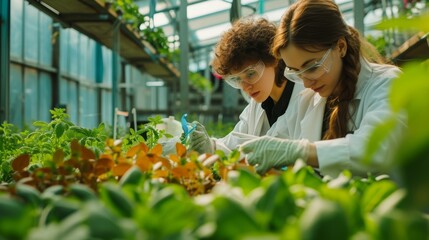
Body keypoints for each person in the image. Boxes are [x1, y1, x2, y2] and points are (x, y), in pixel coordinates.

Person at [240, 0, 406, 177]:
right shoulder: (308, 100)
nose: (306, 83)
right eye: (296, 72)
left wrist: (302, 152)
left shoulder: (388, 84)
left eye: (311, 67)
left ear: (340, 47)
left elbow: (377, 149)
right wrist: (215, 149)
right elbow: (267, 144)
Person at [189, 17, 304, 155]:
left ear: (274, 59)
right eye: (237, 79)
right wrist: (211, 146)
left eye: (250, 74)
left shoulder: (305, 96)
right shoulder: (257, 105)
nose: (245, 87)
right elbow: (234, 142)